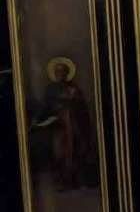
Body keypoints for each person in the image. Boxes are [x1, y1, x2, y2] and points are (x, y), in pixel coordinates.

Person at [31, 59, 98, 191]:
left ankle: (78, 180)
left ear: (67, 73)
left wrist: (74, 102)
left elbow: (83, 107)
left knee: (78, 149)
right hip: (58, 125)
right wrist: (37, 118)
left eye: (62, 72)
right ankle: (62, 181)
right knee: (59, 152)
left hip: (75, 126)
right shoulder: (50, 89)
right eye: (57, 72)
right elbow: (45, 106)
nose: (60, 74)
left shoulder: (74, 88)